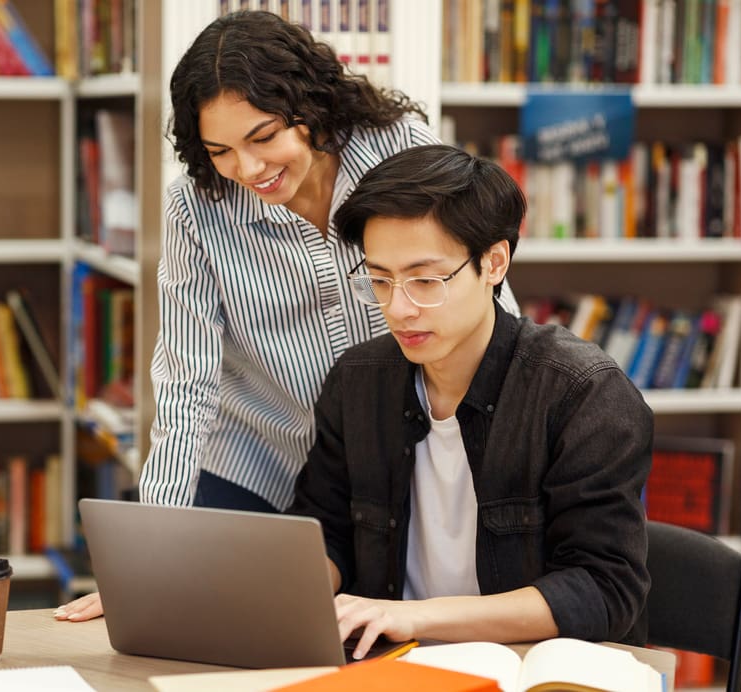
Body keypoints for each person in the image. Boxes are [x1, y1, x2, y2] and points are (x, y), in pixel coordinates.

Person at [56, 9, 517, 622]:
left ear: (312, 108)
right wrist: (149, 553)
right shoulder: (196, 209)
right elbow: (184, 382)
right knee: (203, 622)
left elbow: (477, 294)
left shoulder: (400, 148)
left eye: (263, 137)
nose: (248, 169)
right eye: (219, 149)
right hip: (258, 456)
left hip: (393, 455)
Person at [287, 144, 653, 660]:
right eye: (380, 279)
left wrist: (412, 616)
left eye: (426, 280)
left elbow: (604, 588)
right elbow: (325, 534)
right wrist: (290, 592)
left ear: (493, 263)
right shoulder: (358, 382)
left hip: (529, 670)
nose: (399, 308)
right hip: (391, 667)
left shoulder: (580, 391)